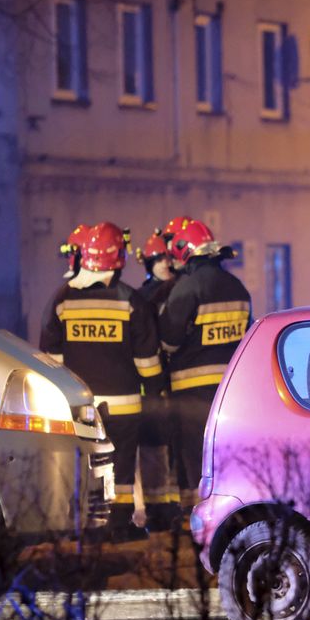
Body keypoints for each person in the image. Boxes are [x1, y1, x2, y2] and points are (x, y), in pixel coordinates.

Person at [41, 222, 165, 542]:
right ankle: (119, 526)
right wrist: (154, 393)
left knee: (85, 464)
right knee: (121, 467)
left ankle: (85, 525)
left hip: (80, 406)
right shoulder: (131, 301)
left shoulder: (62, 300)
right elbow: (147, 360)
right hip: (125, 406)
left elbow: (51, 359)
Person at [159, 217, 253, 509]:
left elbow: (169, 341)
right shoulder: (238, 287)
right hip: (230, 390)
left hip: (191, 390)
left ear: (183, 251)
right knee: (226, 451)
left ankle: (195, 515)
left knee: (193, 454)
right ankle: (230, 508)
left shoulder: (187, 287)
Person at [133, 228, 180, 531]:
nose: (164, 263)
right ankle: (157, 506)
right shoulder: (142, 296)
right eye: (158, 259)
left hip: (179, 379)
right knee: (155, 445)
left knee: (176, 446)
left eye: (168, 258)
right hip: (152, 382)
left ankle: (174, 506)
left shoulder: (184, 290)